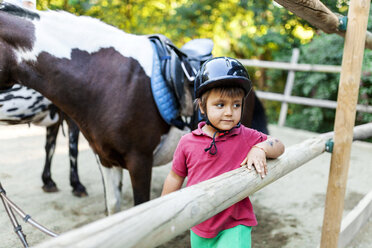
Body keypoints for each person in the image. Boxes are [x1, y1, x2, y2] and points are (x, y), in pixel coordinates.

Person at [161, 57, 285, 247]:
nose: (229, 112)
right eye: (220, 105)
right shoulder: (187, 142)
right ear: (202, 107)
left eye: (236, 105)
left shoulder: (245, 135)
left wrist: (259, 148)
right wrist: (163, 209)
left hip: (235, 223)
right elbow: (175, 177)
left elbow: (278, 145)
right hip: (200, 223)